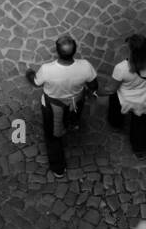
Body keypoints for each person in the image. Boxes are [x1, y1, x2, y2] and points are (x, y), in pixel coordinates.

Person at [27, 35, 98, 178]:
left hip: (54, 106)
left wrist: (30, 75)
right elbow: (93, 85)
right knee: (74, 116)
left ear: (57, 51)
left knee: (53, 136)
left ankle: (58, 168)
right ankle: (73, 124)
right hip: (76, 101)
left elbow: (36, 82)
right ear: (75, 50)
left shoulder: (47, 69)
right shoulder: (85, 66)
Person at [107, 34, 146, 158]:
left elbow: (113, 88)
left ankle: (116, 123)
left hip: (125, 97)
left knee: (114, 100)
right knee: (140, 122)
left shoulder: (121, 68)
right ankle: (140, 150)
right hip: (144, 96)